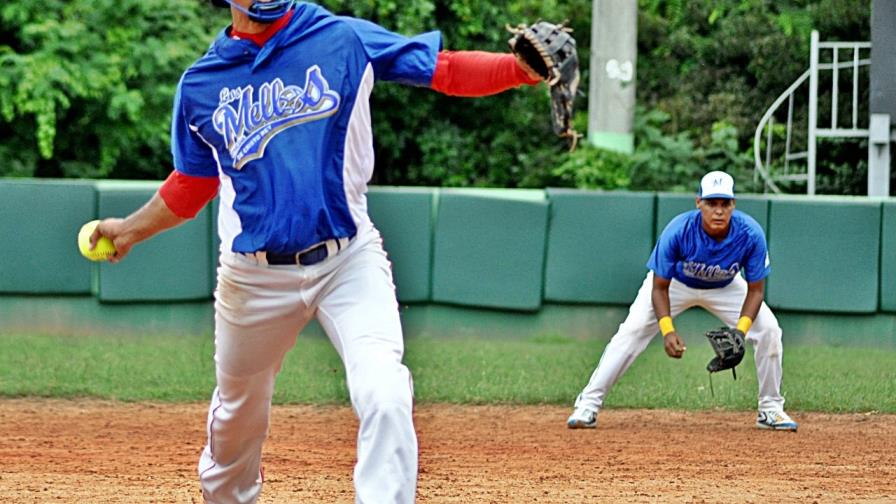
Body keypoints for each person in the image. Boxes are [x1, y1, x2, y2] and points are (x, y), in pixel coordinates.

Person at [87, 1, 545, 502]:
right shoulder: (202, 84)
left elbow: (444, 69)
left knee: (385, 393)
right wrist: (129, 229)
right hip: (252, 279)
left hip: (348, 260)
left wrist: (517, 71)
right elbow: (192, 184)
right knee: (237, 418)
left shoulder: (339, 36)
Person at [566, 170, 798, 432]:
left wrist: (739, 333)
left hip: (725, 286)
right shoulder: (679, 230)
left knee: (769, 330)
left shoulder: (750, 233)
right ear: (698, 202)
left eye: (725, 203)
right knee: (631, 331)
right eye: (712, 203)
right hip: (675, 284)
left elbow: (755, 291)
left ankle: (770, 408)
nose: (718, 211)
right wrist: (667, 331)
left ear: (734, 204)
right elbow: (659, 287)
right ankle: (588, 404)